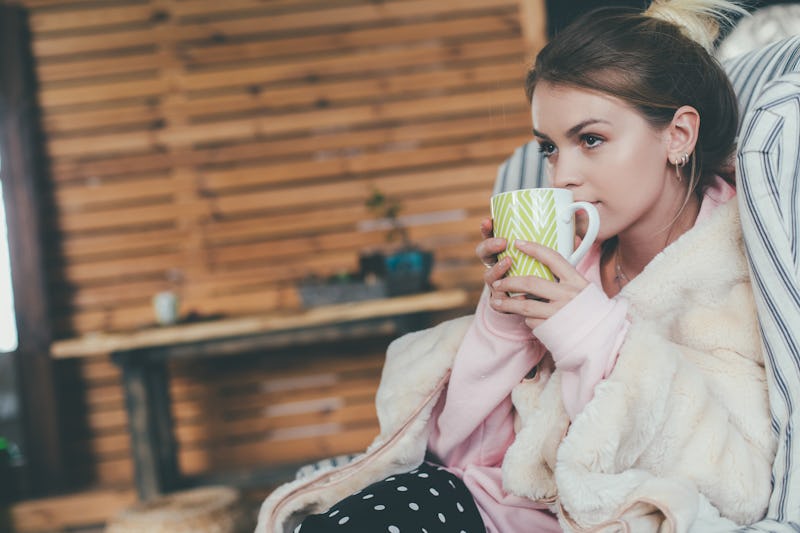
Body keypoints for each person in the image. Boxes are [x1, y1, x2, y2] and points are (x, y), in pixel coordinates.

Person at [256, 1, 776, 531]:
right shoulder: (573, 258)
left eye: (590, 139)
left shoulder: (736, 273)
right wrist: (506, 319)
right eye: (549, 147)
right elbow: (452, 452)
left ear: (679, 135)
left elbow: (737, 486)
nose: (561, 175)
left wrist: (589, 332)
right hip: (488, 510)